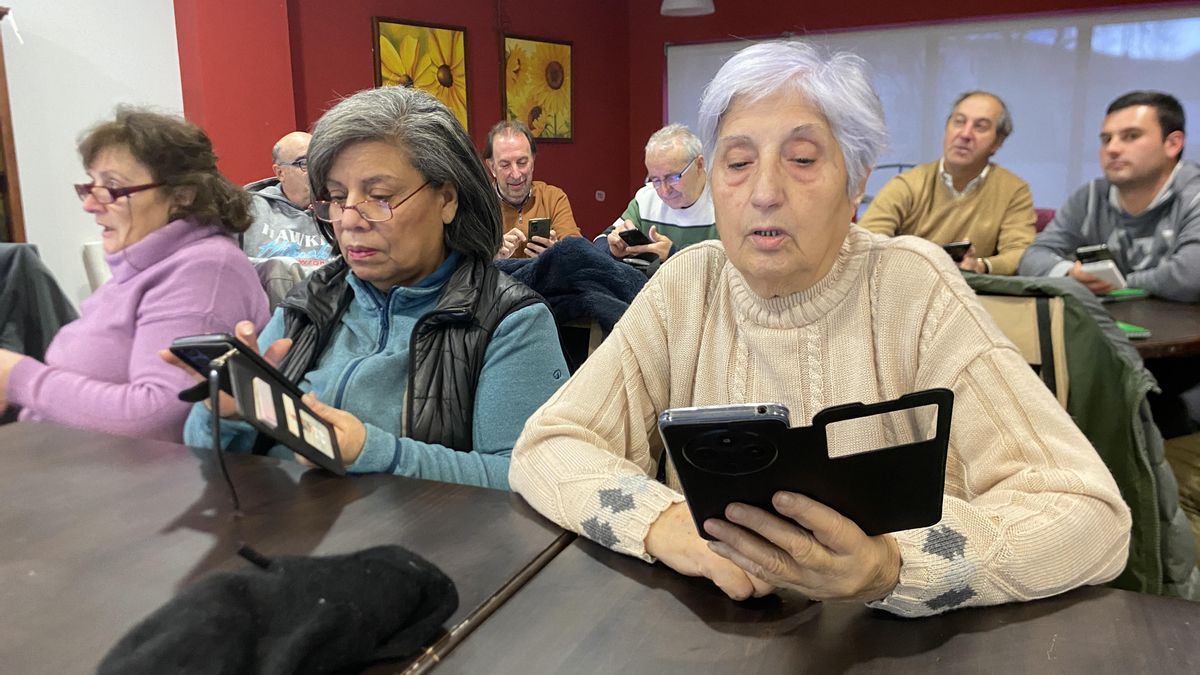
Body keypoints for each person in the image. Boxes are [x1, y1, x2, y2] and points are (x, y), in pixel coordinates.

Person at [509, 41, 1131, 616]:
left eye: (802, 159)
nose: (764, 192)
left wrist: (892, 566)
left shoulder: (911, 287)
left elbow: (1089, 517)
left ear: (857, 180)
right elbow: (548, 445)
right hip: (713, 632)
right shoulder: (686, 285)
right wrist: (663, 521)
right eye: (738, 163)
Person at [177, 86, 568, 490]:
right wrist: (225, 416)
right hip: (283, 533)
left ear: (447, 199)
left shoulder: (510, 321)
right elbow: (211, 462)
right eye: (337, 197)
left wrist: (375, 452)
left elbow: (528, 479)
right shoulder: (312, 301)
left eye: (379, 197)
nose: (350, 220)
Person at [0, 107, 269, 442]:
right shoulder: (147, 265)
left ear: (182, 194)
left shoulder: (205, 270)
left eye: (113, 188)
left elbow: (156, 417)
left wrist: (19, 378)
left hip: (133, 484)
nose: (91, 205)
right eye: (91, 186)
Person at [1019, 91, 1200, 303]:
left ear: (1173, 144)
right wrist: (1070, 274)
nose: (1112, 149)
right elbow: (1032, 257)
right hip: (1110, 328)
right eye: (1106, 139)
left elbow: (1190, 277)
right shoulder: (1090, 197)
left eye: (1131, 136)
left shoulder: (1193, 196)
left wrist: (1116, 284)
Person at [859, 91, 1036, 275]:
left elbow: (1021, 254)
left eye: (980, 127)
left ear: (997, 142)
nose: (965, 134)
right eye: (959, 122)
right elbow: (867, 241)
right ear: (946, 129)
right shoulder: (908, 184)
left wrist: (981, 266)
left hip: (974, 295)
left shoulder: (1014, 190)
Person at [601, 124, 717, 263]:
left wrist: (674, 254)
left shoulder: (728, 202)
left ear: (699, 165)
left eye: (673, 178)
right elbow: (599, 243)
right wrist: (613, 249)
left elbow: (738, 269)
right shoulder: (646, 199)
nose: (664, 191)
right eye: (655, 180)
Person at [483, 120, 581, 259]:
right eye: (505, 165)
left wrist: (558, 254)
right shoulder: (478, 205)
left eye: (522, 163)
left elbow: (579, 254)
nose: (516, 174)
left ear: (533, 161)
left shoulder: (553, 198)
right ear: (492, 167)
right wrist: (491, 256)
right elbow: (463, 267)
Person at [242, 131, 334, 272]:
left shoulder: (340, 209)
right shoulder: (248, 209)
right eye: (304, 163)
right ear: (280, 173)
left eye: (319, 161)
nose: (316, 170)